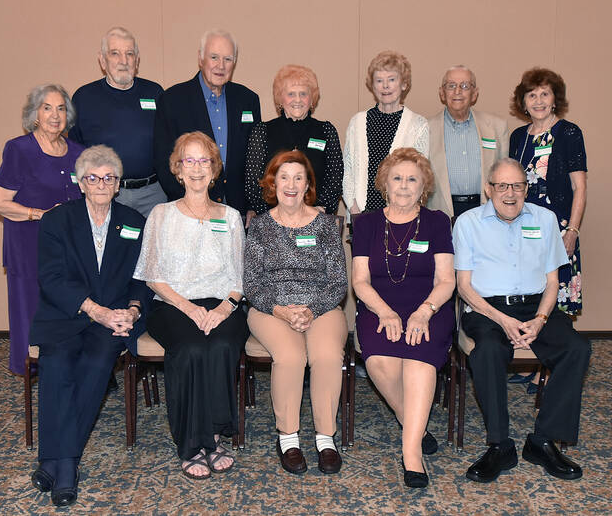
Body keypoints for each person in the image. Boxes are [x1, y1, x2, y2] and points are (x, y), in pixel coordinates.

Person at [452, 158, 590, 484]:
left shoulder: (545, 219)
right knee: (487, 351)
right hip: (487, 309)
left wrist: (541, 319)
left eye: (517, 186)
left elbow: (553, 281)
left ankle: (542, 441)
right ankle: (500, 446)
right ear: (489, 189)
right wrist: (502, 321)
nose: (510, 193)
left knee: (577, 348)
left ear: (526, 189)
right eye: (502, 186)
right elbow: (464, 287)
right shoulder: (468, 223)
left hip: (536, 306)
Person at [29, 145, 148, 507]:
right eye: (93, 177)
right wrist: (93, 309)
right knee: (59, 365)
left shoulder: (133, 221)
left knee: (97, 365)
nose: (100, 184)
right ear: (81, 183)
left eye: (108, 178)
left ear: (117, 184)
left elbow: (141, 277)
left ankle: (55, 461)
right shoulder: (56, 220)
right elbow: (51, 278)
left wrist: (133, 309)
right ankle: (67, 465)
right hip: (65, 314)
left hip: (111, 320)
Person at [134, 131, 247, 480]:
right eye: (189, 160)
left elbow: (241, 278)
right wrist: (189, 308)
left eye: (204, 161)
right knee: (193, 347)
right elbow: (152, 276)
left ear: (214, 170)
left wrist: (224, 309)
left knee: (225, 343)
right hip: (171, 302)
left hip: (221, 302)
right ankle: (191, 443)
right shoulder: (161, 214)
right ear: (178, 170)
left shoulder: (229, 216)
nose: (197, 168)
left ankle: (214, 433)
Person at [351, 148, 455, 488]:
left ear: (424, 184)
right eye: (397, 178)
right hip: (380, 305)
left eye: (413, 179)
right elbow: (360, 281)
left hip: (429, 306)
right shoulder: (366, 222)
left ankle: (411, 452)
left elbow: (446, 280)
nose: (404, 186)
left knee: (417, 363)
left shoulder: (437, 221)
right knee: (381, 362)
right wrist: (384, 310)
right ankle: (415, 423)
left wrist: (425, 312)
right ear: (385, 183)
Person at [244, 150, 348, 476]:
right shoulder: (259, 227)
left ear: (307, 185)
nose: (291, 184)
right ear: (273, 184)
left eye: (298, 178)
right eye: (283, 177)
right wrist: (283, 311)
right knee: (291, 358)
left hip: (321, 306)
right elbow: (252, 284)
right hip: (270, 308)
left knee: (328, 356)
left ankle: (325, 438)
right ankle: (288, 437)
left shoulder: (326, 225)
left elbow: (338, 282)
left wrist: (311, 309)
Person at [0, 84, 84, 375]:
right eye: (47, 108)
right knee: (29, 307)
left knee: (65, 305)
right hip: (27, 242)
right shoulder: (19, 149)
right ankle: (31, 367)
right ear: (35, 115)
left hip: (67, 247)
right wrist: (41, 215)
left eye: (60, 108)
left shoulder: (78, 153)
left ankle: (63, 364)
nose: (55, 115)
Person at [508, 68, 588, 391]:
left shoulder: (569, 133)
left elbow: (580, 188)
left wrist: (572, 232)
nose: (538, 100)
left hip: (559, 232)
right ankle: (533, 364)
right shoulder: (518, 138)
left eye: (545, 94)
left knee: (560, 298)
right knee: (532, 295)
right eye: (532, 95)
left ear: (555, 99)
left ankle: (552, 369)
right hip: (524, 234)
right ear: (523, 102)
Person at [153, 29, 261, 214]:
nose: (221, 65)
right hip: (189, 210)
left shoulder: (248, 99)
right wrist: (188, 205)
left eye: (227, 59)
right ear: (200, 59)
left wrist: (253, 206)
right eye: (214, 57)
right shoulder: (172, 100)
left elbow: (256, 159)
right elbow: (163, 161)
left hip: (239, 211)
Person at [69, 27, 165, 217]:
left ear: (137, 60)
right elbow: (73, 151)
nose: (124, 61)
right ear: (102, 60)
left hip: (153, 196)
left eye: (129, 54)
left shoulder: (155, 93)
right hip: (105, 195)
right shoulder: (84, 97)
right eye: (115, 53)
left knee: (155, 247)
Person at [244, 64, 343, 223]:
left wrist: (318, 210)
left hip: (315, 220)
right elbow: (253, 183)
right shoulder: (262, 131)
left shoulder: (326, 131)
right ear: (280, 98)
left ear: (312, 98)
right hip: (272, 222)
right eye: (291, 94)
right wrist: (274, 215)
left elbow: (335, 178)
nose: (297, 100)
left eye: (303, 94)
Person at [342, 50, 429, 217]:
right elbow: (348, 171)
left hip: (402, 215)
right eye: (379, 80)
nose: (385, 86)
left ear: (403, 84)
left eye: (392, 79)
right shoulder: (357, 122)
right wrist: (354, 210)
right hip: (361, 214)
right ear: (372, 86)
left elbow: (421, 175)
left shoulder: (418, 125)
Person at [428, 65, 509, 217]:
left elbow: (504, 177)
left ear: (474, 94)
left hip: (486, 211)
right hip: (441, 213)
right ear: (442, 93)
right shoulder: (425, 129)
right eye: (451, 86)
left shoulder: (497, 127)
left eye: (465, 86)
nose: (457, 91)